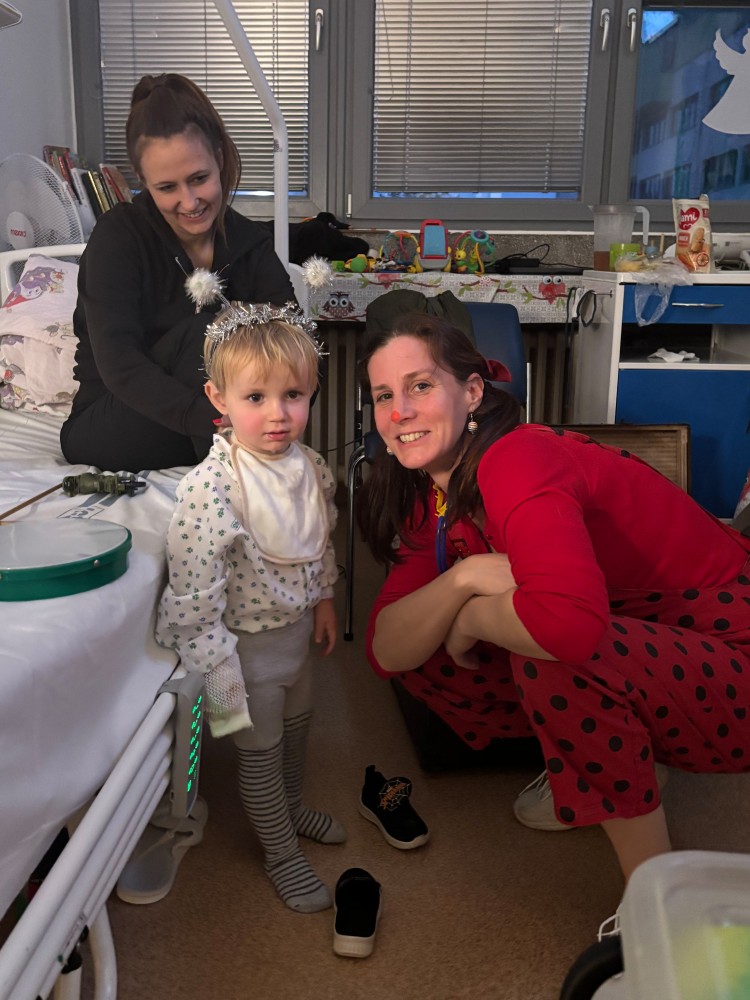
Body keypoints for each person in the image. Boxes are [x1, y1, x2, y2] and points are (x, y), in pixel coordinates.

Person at [357, 312, 750, 927]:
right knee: (432, 642)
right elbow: (388, 649)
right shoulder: (430, 496)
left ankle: (658, 904)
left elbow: (569, 629)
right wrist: (463, 578)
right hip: (650, 635)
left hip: (732, 644)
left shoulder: (517, 457)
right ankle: (613, 754)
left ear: (473, 392)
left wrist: (472, 619)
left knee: (555, 655)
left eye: (421, 386)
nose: (400, 411)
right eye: (384, 396)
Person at [155, 300, 342, 913]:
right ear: (219, 398)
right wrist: (221, 678)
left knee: (297, 729)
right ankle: (280, 853)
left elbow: (320, 539)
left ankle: (293, 810)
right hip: (239, 654)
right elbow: (193, 596)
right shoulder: (211, 489)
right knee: (257, 751)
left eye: (294, 395)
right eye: (256, 397)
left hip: (296, 638)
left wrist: (324, 599)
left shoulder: (311, 467)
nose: (278, 414)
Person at [61, 73, 294, 472]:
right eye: (167, 188)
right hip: (111, 422)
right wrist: (222, 423)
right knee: (212, 331)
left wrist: (281, 416)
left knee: (270, 338)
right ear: (143, 181)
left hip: (227, 423)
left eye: (199, 179)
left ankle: (244, 464)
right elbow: (121, 366)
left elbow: (297, 345)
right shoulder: (118, 238)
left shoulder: (250, 244)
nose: (189, 202)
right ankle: (236, 463)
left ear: (219, 158)